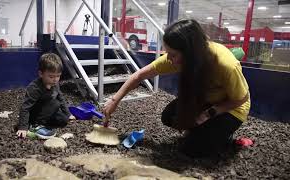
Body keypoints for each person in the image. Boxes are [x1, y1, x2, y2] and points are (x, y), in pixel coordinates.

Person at [103, 19, 250, 157]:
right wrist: (115, 100)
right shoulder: (178, 58)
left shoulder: (226, 65)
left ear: (190, 53)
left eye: (172, 54)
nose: (168, 58)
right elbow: (139, 76)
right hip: (204, 99)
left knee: (192, 151)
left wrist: (208, 114)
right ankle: (202, 133)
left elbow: (241, 99)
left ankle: (224, 138)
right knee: (169, 117)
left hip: (232, 108)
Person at [16, 53, 75, 139]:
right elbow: (25, 108)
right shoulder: (34, 88)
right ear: (41, 74)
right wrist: (22, 127)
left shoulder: (55, 84)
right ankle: (34, 126)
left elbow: (61, 98)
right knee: (55, 103)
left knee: (63, 120)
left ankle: (44, 124)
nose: (55, 79)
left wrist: (68, 114)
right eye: (51, 76)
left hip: (46, 112)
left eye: (58, 76)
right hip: (34, 115)